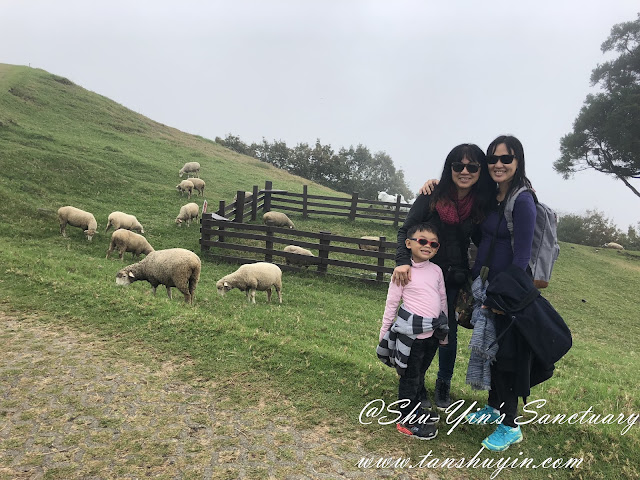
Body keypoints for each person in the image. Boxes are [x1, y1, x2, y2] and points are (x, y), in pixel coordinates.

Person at [393, 143, 494, 410]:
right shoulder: (431, 196)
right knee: (420, 332)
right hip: (423, 276)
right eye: (458, 165)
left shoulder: (480, 204)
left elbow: (486, 237)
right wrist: (402, 263)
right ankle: (417, 383)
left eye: (472, 166)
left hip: (454, 278)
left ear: (480, 171)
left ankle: (443, 383)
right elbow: (405, 230)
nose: (464, 171)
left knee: (447, 333)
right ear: (449, 168)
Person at [462, 135, 537, 452]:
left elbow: (522, 257)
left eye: (506, 158)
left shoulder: (523, 200)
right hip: (487, 288)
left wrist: (503, 298)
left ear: (518, 161)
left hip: (508, 293)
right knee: (490, 350)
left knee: (507, 358)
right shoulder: (491, 196)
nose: (498, 164)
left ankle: (510, 426)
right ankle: (493, 407)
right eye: (493, 158)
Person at [377, 222, 448, 440]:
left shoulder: (436, 271)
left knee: (420, 374)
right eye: (422, 241)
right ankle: (406, 420)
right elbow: (392, 304)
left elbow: (442, 299)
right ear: (408, 243)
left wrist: (444, 330)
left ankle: (416, 411)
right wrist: (384, 333)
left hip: (432, 334)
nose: (428, 246)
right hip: (411, 336)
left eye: (433, 244)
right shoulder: (403, 271)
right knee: (409, 378)